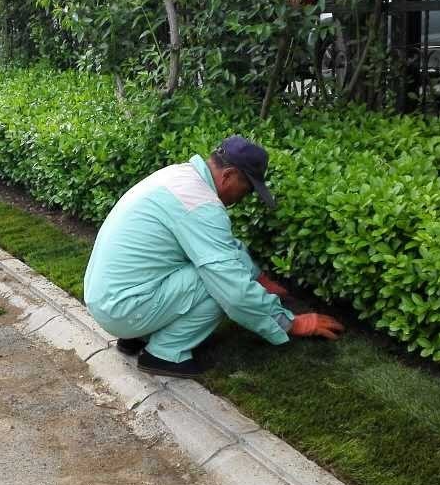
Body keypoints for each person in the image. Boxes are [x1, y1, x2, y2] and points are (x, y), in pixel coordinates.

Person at [83, 136, 344, 378]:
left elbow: (224, 248)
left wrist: (261, 279)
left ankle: (138, 336)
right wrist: (292, 324)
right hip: (123, 308)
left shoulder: (181, 177)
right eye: (248, 188)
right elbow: (234, 289)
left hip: (107, 299)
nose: (246, 197)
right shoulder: (202, 206)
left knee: (215, 265)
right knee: (218, 282)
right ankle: (164, 353)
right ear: (229, 175)